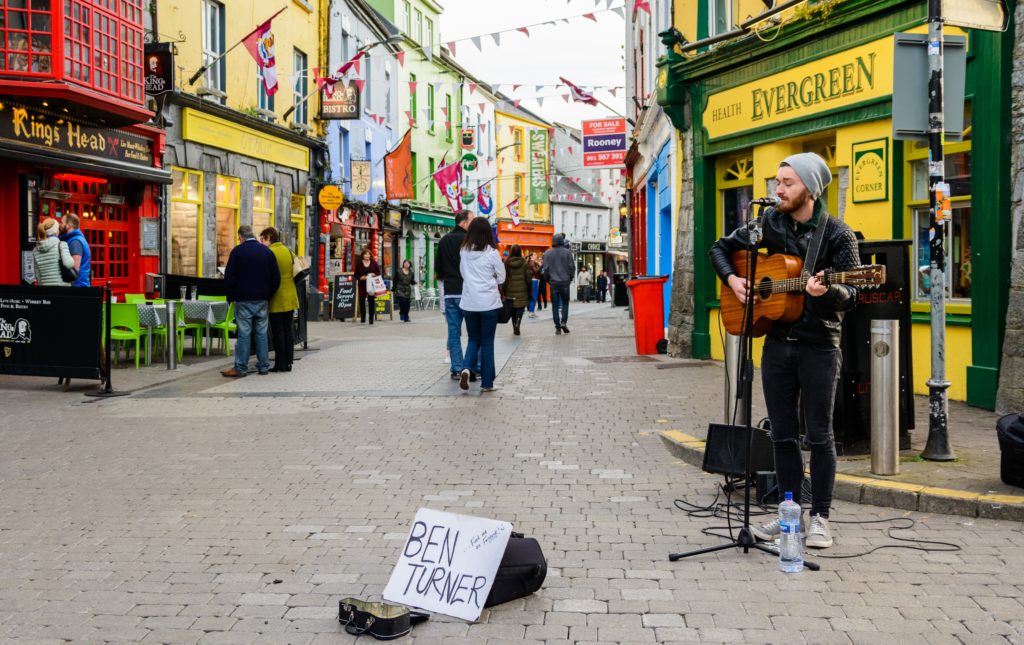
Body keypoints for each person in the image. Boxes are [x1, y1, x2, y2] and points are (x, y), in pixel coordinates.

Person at [708, 152, 859, 550]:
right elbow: (719, 249)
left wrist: (828, 291)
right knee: (783, 437)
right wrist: (735, 280)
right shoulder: (768, 224)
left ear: (809, 188)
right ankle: (788, 514)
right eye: (777, 181)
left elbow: (853, 295)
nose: (778, 189)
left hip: (819, 346)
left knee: (820, 436)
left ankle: (821, 517)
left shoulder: (838, 234)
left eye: (787, 183)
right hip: (776, 344)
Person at [222, 225, 280, 378]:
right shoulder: (267, 252)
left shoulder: (237, 252)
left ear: (241, 237)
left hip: (243, 300)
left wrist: (231, 296)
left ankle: (241, 367)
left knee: (244, 334)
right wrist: (267, 294)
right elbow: (276, 278)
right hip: (262, 299)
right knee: (261, 333)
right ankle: (263, 367)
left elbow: (229, 278)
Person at [458, 217, 505, 393]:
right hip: (488, 304)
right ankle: (487, 383)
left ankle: (465, 368)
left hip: (469, 303)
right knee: (487, 343)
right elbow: (502, 277)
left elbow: (463, 273)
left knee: (473, 339)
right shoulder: (492, 253)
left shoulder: (463, 251)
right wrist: (491, 278)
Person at [435, 210, 476, 380]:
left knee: (454, 331)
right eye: (472, 220)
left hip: (451, 291)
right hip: (468, 291)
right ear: (464, 223)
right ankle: (473, 366)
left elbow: (438, 267)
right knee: (474, 332)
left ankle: (457, 368)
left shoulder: (444, 240)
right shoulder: (470, 241)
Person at [259, 227, 298, 373]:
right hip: (290, 294)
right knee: (288, 330)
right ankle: (288, 362)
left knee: (277, 331)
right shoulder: (288, 251)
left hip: (277, 296)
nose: (261, 242)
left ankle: (280, 363)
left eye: (262, 239)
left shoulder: (269, 253)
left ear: (269, 237)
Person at [542, 233, 574, 335]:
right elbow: (572, 268)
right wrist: (570, 278)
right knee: (565, 303)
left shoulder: (547, 254)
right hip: (565, 282)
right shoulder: (567, 253)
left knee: (555, 305)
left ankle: (557, 327)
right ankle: (563, 321)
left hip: (553, 283)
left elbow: (545, 269)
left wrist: (548, 280)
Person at [32, 218, 74, 287]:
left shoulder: (35, 250)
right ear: (56, 231)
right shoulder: (61, 245)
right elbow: (68, 264)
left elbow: (37, 274)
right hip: (62, 289)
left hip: (46, 290)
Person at [503, 245, 532, 336]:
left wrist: (503, 290)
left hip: (510, 290)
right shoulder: (524, 263)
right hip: (522, 289)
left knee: (512, 309)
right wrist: (529, 288)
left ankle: (514, 326)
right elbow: (528, 278)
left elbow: (505, 278)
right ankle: (518, 324)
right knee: (520, 308)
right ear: (520, 252)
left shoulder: (507, 263)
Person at [60, 213, 91, 287]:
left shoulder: (75, 242)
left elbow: (74, 271)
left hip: (78, 288)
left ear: (68, 225)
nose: (59, 225)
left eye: (61, 222)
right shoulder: (73, 239)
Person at [353, 246, 381, 324]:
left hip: (371, 284)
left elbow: (378, 272)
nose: (367, 256)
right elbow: (356, 275)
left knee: (371, 301)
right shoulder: (359, 264)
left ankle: (371, 319)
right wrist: (361, 278)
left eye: (368, 254)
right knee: (362, 301)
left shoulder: (374, 263)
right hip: (362, 284)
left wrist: (373, 274)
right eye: (365, 254)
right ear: (363, 255)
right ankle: (363, 317)